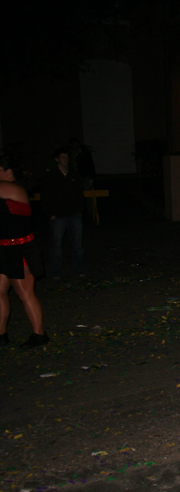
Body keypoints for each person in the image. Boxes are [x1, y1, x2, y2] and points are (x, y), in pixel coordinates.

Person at [0, 155, 48, 348]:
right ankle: (1, 334)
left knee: (25, 293)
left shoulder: (12, 188)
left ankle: (39, 334)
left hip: (19, 249)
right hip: (3, 248)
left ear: (8, 171)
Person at [39, 147, 85, 280]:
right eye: (63, 157)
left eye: (67, 157)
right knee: (56, 247)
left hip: (74, 215)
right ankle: (57, 273)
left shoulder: (74, 175)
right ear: (56, 159)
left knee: (77, 246)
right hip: (58, 216)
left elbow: (79, 195)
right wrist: (50, 213)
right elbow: (45, 196)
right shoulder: (50, 176)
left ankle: (79, 270)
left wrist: (79, 211)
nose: (66, 160)